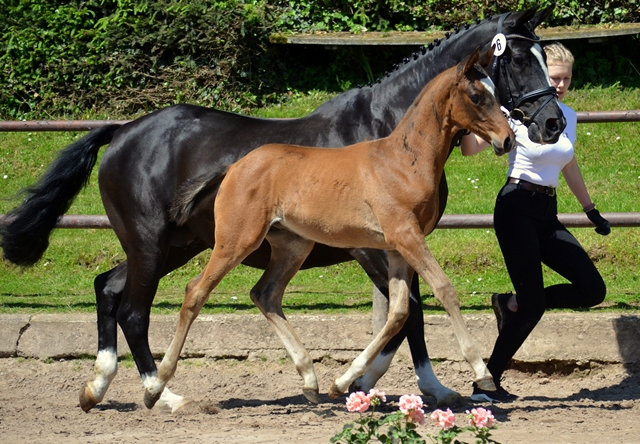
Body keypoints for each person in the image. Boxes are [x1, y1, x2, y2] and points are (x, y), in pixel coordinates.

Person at [460, 42, 611, 403]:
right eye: (555, 78)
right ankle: (486, 383)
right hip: (515, 208)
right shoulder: (515, 113)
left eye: (566, 79)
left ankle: (509, 303)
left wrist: (590, 209)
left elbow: (568, 165)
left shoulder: (565, 117)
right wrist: (476, 118)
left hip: (547, 211)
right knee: (534, 306)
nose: (560, 85)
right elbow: (469, 149)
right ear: (542, 76)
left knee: (593, 290)